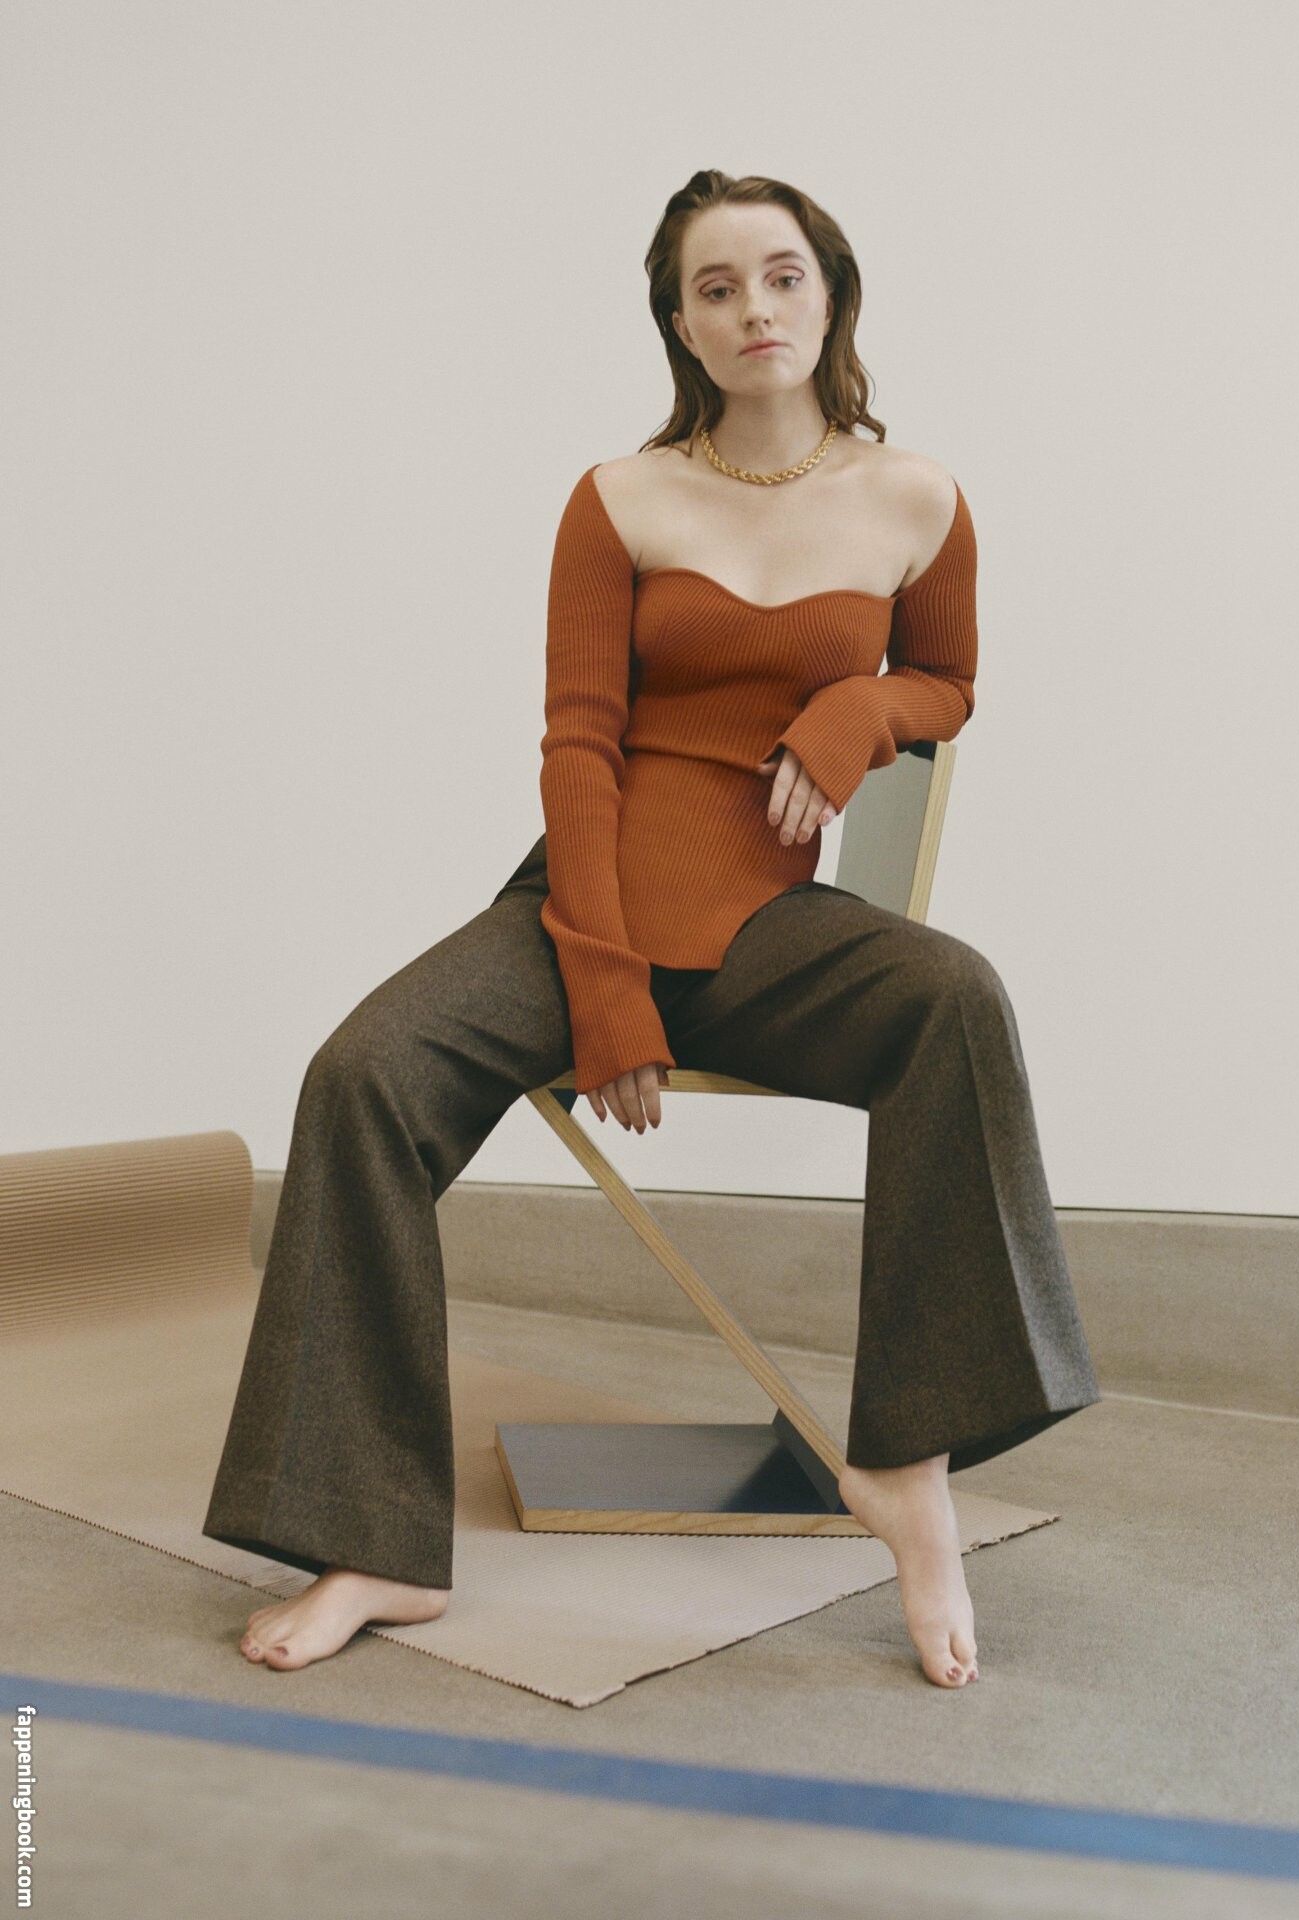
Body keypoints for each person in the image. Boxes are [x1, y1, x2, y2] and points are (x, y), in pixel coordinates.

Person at [203, 170, 1101, 1688]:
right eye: (716, 287)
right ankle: (374, 1541)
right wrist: (603, 986)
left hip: (765, 928)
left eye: (782, 276)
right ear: (680, 323)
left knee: (954, 998)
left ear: (831, 291)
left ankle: (909, 1464)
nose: (755, 309)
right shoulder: (621, 496)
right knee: (361, 1079)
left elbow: (948, 682)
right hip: (585, 904)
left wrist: (861, 706)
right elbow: (578, 746)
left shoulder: (915, 499)